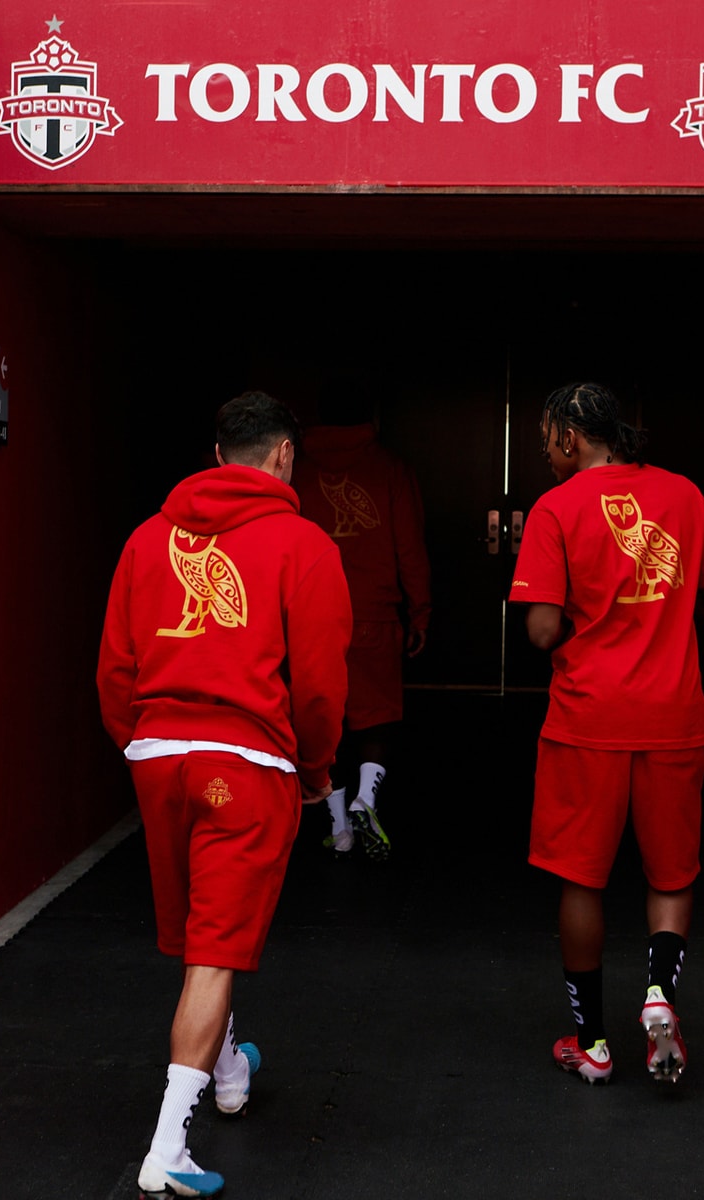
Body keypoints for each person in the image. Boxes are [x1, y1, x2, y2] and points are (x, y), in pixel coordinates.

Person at [96, 391, 352, 1198]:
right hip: (244, 763)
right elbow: (317, 685)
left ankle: (230, 1072)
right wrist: (316, 770)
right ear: (283, 457)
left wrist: (141, 747)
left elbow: (114, 668)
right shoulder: (303, 544)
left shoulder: (146, 538)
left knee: (204, 931)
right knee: (213, 952)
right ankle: (168, 1146)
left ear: (217, 454)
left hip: (158, 757)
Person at [509, 381, 704, 1086]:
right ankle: (659, 995)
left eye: (548, 439)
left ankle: (593, 1046)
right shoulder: (684, 494)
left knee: (582, 877)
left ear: (572, 439)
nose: (546, 453)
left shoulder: (556, 507)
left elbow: (544, 628)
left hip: (589, 720)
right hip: (674, 715)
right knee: (671, 873)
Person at [290, 385, 431, 860]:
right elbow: (409, 547)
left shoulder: (297, 472)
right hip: (373, 615)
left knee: (320, 722)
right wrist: (420, 611)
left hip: (309, 619)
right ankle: (366, 801)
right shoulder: (390, 469)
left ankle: (337, 825)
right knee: (376, 719)